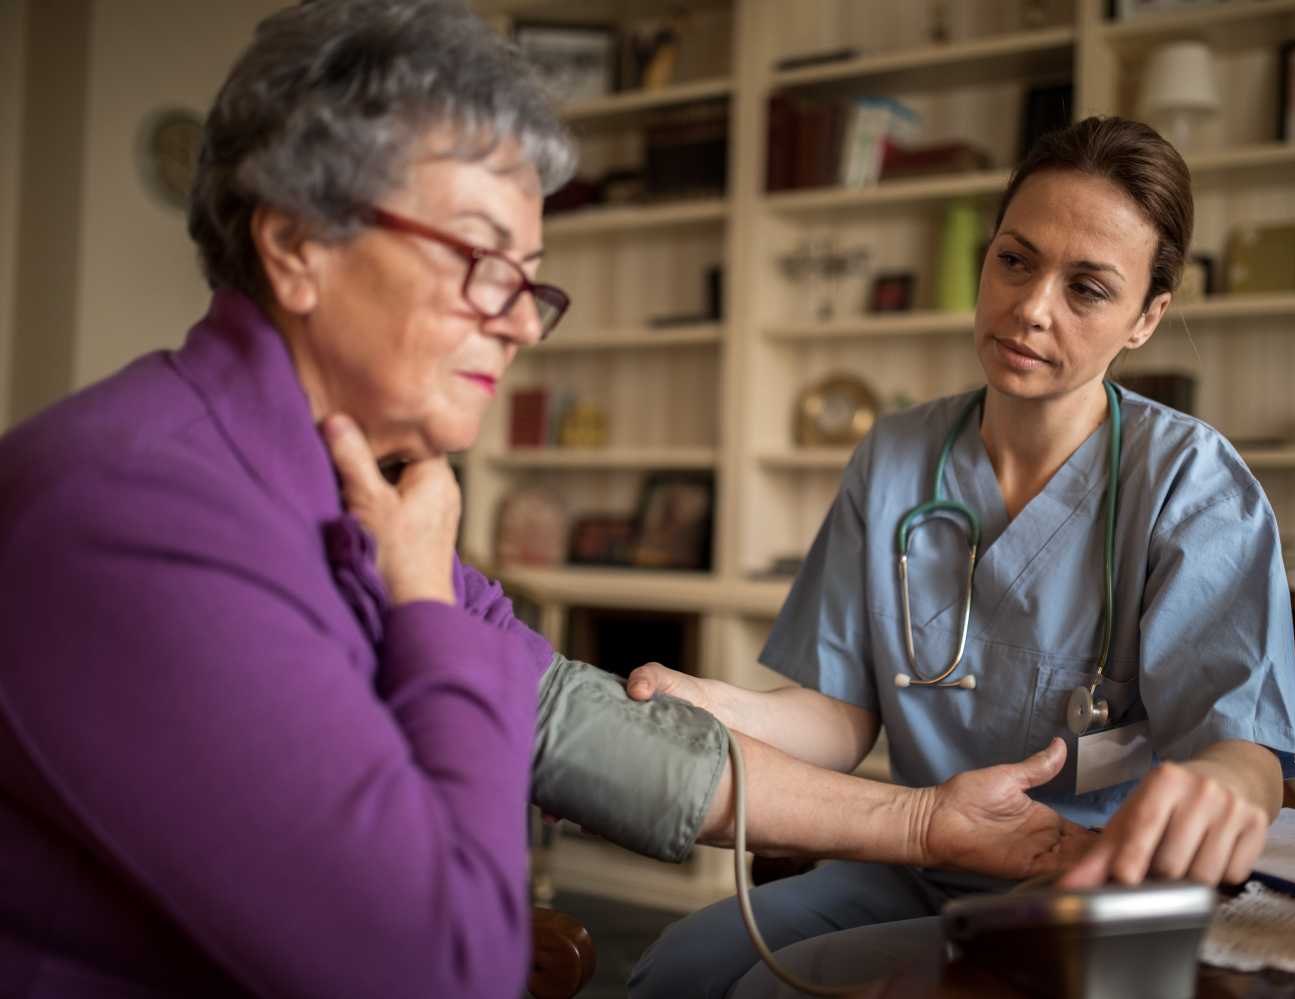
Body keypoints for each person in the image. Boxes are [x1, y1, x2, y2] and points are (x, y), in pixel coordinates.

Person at [0, 3, 1101, 996]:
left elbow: (558, 717)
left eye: (530, 280)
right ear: (296, 245)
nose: (521, 324)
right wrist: (426, 606)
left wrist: (923, 820)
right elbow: (445, 970)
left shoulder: (348, 484)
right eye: (480, 261)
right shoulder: (136, 515)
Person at [627, 116, 1295, 998]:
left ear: (1146, 318)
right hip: (923, 852)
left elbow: (1243, 753)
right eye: (1015, 260)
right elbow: (838, 717)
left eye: (1087, 289)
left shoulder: (1191, 481)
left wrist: (1222, 782)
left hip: (1085, 880)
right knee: (674, 969)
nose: (1030, 306)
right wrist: (699, 700)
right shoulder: (896, 453)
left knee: (772, 991)